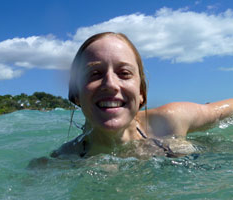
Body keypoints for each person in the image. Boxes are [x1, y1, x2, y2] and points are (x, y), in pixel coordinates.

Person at [51, 32, 233, 158]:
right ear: (76, 95)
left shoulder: (170, 121)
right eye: (95, 74)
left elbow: (221, 112)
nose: (110, 84)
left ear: (141, 95)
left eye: (124, 73)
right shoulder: (64, 160)